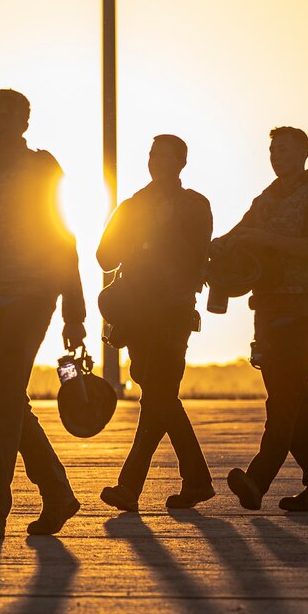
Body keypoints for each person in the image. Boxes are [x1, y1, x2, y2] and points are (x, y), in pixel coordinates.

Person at [0, 89, 88, 539]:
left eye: (5, 115)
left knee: (5, 395)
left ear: (25, 122)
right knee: (5, 400)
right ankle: (57, 492)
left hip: (32, 296)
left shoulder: (41, 167)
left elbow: (62, 235)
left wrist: (75, 309)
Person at [218, 126, 308, 513]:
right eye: (272, 150)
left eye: (284, 150)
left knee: (283, 400)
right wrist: (213, 250)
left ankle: (258, 479)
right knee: (295, 404)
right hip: (269, 312)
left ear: (304, 154)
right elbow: (240, 234)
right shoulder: (268, 199)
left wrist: (266, 240)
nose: (276, 156)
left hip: (303, 312)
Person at [96, 134, 214, 512]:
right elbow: (104, 256)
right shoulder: (132, 206)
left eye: (165, 157)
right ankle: (197, 480)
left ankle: (130, 486)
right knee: (161, 398)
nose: (156, 163)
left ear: (182, 163)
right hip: (137, 315)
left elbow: (196, 255)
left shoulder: (195, 206)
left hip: (173, 314)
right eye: (152, 156)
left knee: (158, 397)